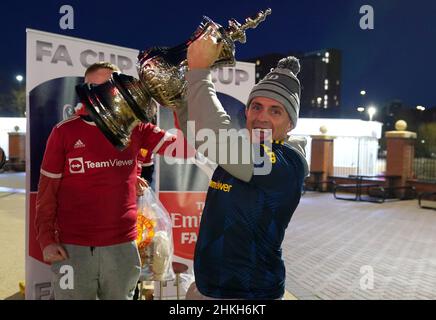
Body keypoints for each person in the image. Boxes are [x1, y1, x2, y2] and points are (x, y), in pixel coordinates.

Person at [35, 61, 185, 300]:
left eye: (114, 86)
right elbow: (47, 192)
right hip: (74, 247)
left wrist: (178, 104)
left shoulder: (137, 129)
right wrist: (46, 240)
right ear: (87, 90)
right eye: (104, 86)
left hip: (123, 246)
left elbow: (183, 149)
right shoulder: (64, 132)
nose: (112, 93)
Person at [175, 34, 309, 299]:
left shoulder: (288, 165)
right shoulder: (241, 150)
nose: (262, 117)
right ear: (247, 111)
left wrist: (200, 72)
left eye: (276, 111)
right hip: (206, 288)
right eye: (257, 107)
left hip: (250, 295)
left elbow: (215, 136)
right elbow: (200, 132)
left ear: (291, 124)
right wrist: (178, 100)